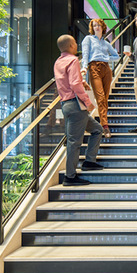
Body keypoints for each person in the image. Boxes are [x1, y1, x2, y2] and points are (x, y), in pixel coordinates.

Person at [54, 34, 104, 186]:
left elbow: (67, 80)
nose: (77, 44)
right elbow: (75, 84)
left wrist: (82, 81)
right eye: (75, 42)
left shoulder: (58, 61)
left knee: (97, 129)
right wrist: (87, 101)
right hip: (76, 105)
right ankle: (70, 177)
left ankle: (89, 161)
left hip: (66, 105)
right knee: (75, 142)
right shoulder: (73, 60)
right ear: (70, 46)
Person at [81, 18, 120, 139]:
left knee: (105, 97)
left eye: (98, 25)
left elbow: (116, 56)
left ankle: (103, 122)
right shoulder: (88, 39)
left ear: (103, 27)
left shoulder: (106, 43)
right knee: (100, 97)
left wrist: (106, 58)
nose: (96, 27)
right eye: (94, 25)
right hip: (94, 68)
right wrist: (84, 67)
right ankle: (105, 126)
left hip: (106, 69)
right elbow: (85, 54)